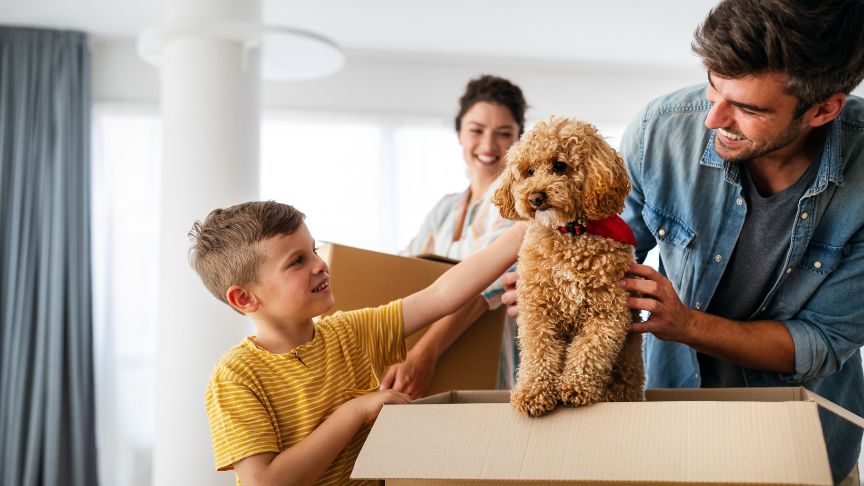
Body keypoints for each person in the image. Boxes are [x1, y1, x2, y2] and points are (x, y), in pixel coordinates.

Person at [504, 0, 864, 483]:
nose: (713, 119)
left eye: (746, 107)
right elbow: (577, 225)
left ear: (823, 109)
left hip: (803, 435)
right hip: (672, 416)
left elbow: (820, 342)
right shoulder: (662, 129)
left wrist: (685, 323)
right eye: (713, 85)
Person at [189, 201, 524, 485]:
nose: (320, 265)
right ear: (245, 298)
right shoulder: (235, 376)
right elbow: (266, 481)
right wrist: (353, 412)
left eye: (314, 250)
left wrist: (520, 234)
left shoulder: (350, 332)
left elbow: (439, 296)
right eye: (297, 261)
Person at [382, 75, 528, 397]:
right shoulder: (446, 208)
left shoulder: (521, 205)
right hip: (446, 370)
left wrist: (425, 354)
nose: (488, 146)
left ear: (519, 140)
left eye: (504, 134)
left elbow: (484, 285)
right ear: (459, 132)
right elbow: (402, 267)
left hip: (495, 366)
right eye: (476, 131)